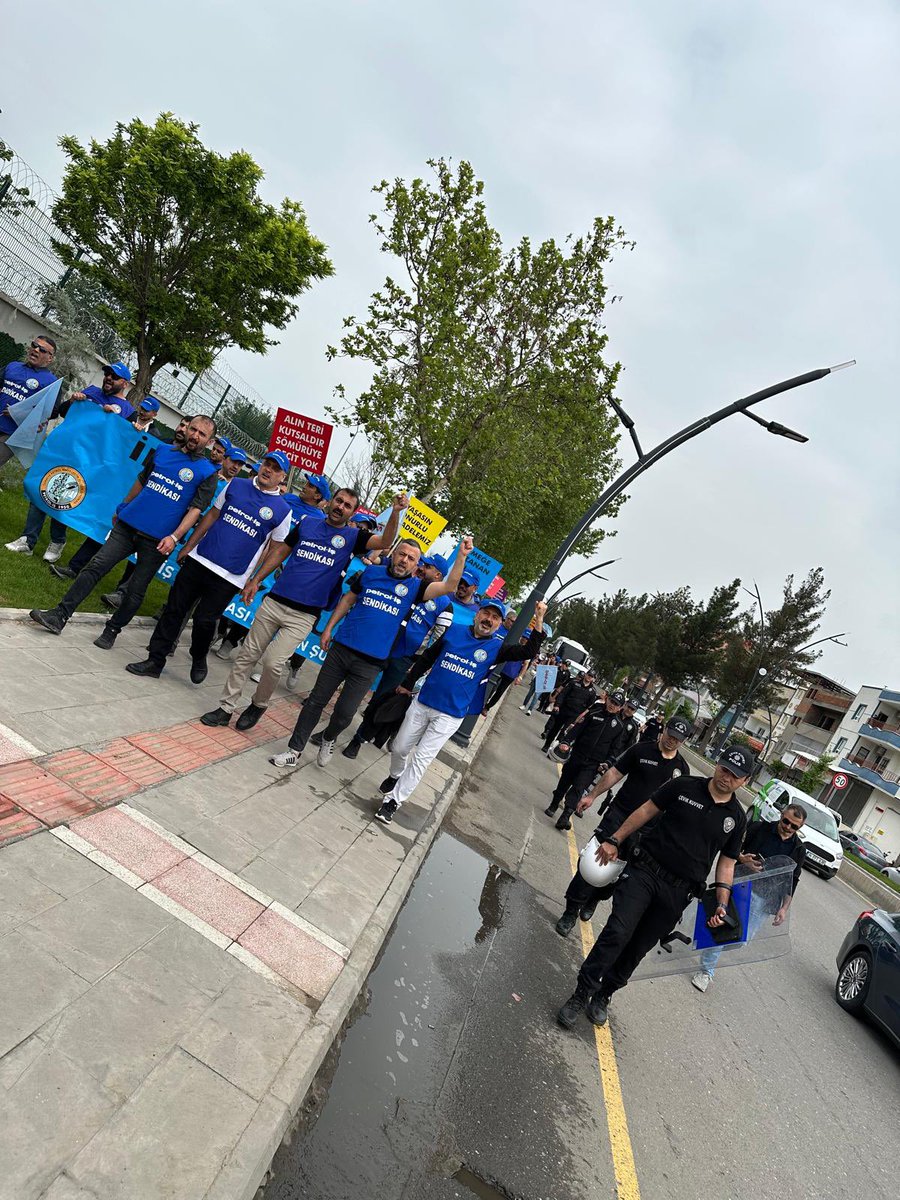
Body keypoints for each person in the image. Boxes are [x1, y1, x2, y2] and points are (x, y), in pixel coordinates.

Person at [556, 743, 752, 1031]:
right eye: (725, 769)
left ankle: (604, 994)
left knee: (637, 948)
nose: (727, 777)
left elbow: (727, 864)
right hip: (645, 872)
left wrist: (722, 902)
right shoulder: (684, 786)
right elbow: (646, 810)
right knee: (618, 932)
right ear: (717, 765)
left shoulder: (736, 818)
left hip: (678, 892)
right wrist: (615, 839)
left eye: (735, 776)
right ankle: (581, 992)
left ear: (745, 781)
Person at [200, 489, 407, 730]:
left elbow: (385, 542)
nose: (341, 507)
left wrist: (395, 512)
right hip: (275, 601)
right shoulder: (307, 523)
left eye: (347, 505)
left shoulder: (353, 537)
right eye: (339, 501)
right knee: (246, 656)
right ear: (330, 502)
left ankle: (258, 704)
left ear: (351, 513)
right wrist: (256, 580)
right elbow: (281, 551)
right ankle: (225, 708)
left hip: (304, 615)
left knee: (273, 663)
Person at [268, 536, 474, 767]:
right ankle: (294, 750)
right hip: (341, 649)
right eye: (402, 554)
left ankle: (329, 737)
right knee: (315, 701)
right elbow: (348, 599)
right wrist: (328, 629)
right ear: (394, 554)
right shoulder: (372, 573)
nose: (404, 560)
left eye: (411, 558)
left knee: (345, 713)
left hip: (370, 663)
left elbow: (449, 586)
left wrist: (462, 556)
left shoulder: (416, 589)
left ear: (416, 565)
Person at [29, 415, 218, 648]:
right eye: (193, 429)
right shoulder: (162, 451)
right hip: (128, 526)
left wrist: (174, 537)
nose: (195, 436)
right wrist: (123, 506)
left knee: (135, 590)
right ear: (187, 429)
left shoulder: (207, 472)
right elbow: (142, 480)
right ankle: (59, 615)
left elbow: (196, 510)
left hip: (158, 540)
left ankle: (112, 630)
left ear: (209, 442)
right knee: (95, 566)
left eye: (202, 434)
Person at [370, 600, 549, 825]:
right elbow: (427, 658)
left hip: (450, 715)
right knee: (399, 747)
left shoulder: (497, 648)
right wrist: (408, 683)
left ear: (499, 624)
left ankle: (393, 802)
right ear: (477, 615)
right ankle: (395, 775)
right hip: (424, 702)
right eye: (486, 613)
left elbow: (529, 651)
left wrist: (539, 618)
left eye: (495, 617)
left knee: (421, 759)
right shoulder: (453, 631)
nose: (488, 619)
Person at [124, 450, 291, 683]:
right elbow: (212, 515)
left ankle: (198, 655)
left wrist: (255, 580)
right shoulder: (236, 485)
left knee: (204, 620)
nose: (268, 470)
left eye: (275, 468)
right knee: (174, 609)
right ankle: (155, 660)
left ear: (283, 477)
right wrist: (188, 546)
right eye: (267, 464)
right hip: (200, 558)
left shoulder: (283, 510)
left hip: (231, 575)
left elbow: (276, 549)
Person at [554, 717, 692, 935]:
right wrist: (592, 795)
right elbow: (614, 773)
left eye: (678, 739)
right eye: (670, 735)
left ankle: (594, 899)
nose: (672, 741)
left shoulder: (681, 770)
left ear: (683, 741)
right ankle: (570, 911)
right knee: (592, 864)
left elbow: (676, 808)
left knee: (619, 874)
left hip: (645, 832)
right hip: (618, 816)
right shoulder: (641, 750)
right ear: (664, 729)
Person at [340, 553, 454, 758]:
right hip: (381, 646)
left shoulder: (445, 604)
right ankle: (334, 727)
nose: (421, 567)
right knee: (354, 686)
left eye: (427, 567)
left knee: (381, 700)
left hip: (405, 659)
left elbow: (438, 640)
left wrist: (418, 665)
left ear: (438, 575)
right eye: (422, 564)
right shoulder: (409, 583)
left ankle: (358, 739)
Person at [691, 801, 807, 992]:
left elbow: (792, 881)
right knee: (725, 931)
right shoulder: (758, 828)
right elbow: (730, 848)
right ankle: (706, 971)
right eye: (786, 821)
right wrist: (743, 859)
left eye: (794, 826)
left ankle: (708, 936)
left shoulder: (798, 850)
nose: (788, 827)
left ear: (800, 828)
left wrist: (784, 908)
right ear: (781, 816)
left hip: (766, 901)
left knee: (740, 941)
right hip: (740, 887)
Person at [545, 688, 628, 830]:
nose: (612, 705)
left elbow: (615, 749)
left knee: (579, 788)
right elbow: (577, 729)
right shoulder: (594, 713)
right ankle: (554, 804)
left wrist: (608, 762)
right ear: (607, 699)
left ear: (620, 708)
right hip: (577, 755)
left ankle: (565, 816)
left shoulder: (619, 726)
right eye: (611, 701)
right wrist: (566, 741)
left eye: (616, 704)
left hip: (593, 764)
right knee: (564, 782)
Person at [0, 335, 59, 475]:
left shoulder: (52, 382)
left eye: (42, 350)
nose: (36, 350)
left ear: (50, 358)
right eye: (34, 345)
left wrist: (19, 413)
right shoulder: (12, 366)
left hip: (11, 434)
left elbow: (52, 411)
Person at [541, 671, 598, 753]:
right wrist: (557, 705)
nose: (589, 677)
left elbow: (589, 707)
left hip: (575, 715)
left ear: (593, 679)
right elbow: (563, 694)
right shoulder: (574, 683)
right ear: (585, 674)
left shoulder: (592, 692)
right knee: (555, 728)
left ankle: (556, 750)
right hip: (564, 709)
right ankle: (547, 745)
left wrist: (582, 717)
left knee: (564, 733)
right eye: (589, 675)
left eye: (592, 676)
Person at [67, 361, 136, 420]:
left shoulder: (129, 412)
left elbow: (123, 432)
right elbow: (63, 412)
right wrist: (71, 402)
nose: (108, 377)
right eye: (107, 374)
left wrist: (112, 418)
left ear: (125, 384)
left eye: (114, 376)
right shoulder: (91, 390)